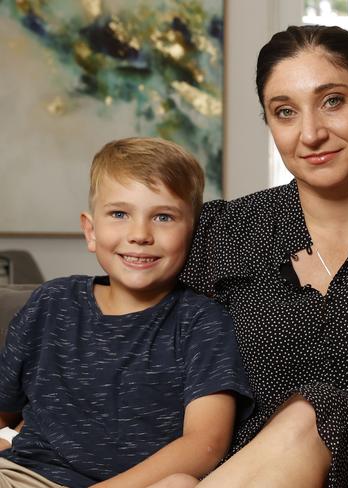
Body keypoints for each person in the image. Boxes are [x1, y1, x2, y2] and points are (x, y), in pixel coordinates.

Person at [173, 24, 348, 487]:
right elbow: (138, 336)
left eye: (333, 101)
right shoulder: (221, 232)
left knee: (321, 409)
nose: (311, 134)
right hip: (251, 469)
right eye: (285, 112)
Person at [0, 137, 253, 488]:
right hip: (26, 475)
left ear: (191, 234)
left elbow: (204, 445)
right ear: (90, 230)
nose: (140, 234)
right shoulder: (51, 303)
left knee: (179, 484)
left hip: (137, 485)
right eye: (119, 214)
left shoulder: (202, 322)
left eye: (163, 217)